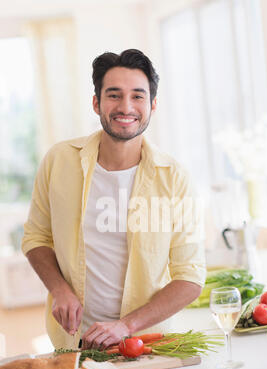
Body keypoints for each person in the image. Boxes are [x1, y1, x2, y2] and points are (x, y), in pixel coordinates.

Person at [22, 49, 206, 351]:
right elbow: (36, 237)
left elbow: (190, 277)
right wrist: (59, 289)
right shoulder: (59, 160)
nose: (126, 107)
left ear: (152, 105)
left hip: (144, 342)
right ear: (96, 103)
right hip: (72, 340)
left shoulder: (175, 178)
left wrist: (126, 326)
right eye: (114, 95)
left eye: (137, 96)